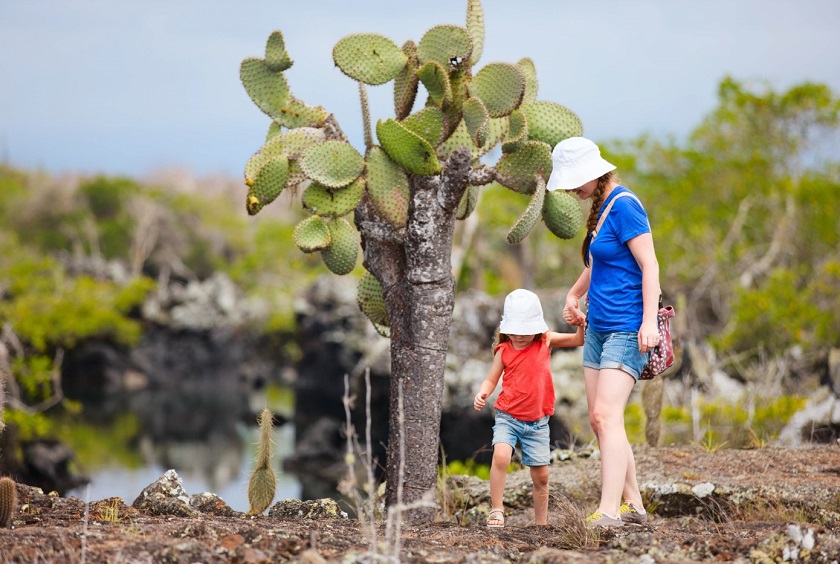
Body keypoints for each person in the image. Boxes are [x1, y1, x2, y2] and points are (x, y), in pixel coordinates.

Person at [547, 136, 659, 528]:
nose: (573, 189)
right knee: (602, 421)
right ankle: (634, 505)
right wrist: (574, 294)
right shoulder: (601, 208)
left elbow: (650, 267)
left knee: (605, 415)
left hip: (628, 329)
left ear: (596, 173)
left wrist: (649, 322)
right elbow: (601, 262)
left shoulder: (626, 206)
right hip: (597, 328)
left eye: (577, 180)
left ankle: (608, 511)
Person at [473, 289, 584, 528]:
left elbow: (578, 340)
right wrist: (483, 392)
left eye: (525, 331)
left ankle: (540, 524)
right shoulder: (504, 351)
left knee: (541, 476)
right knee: (501, 456)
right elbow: (492, 379)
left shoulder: (546, 341)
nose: (519, 337)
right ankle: (496, 510)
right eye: (514, 331)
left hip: (538, 422)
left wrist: (581, 324)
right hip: (508, 416)